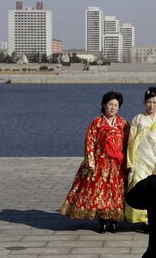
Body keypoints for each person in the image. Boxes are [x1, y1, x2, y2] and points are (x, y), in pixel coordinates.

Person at [60, 91, 130, 233]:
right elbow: (89, 142)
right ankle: (103, 220)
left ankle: (114, 220)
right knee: (101, 192)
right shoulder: (96, 123)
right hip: (101, 163)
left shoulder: (123, 123)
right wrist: (90, 161)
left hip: (118, 164)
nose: (112, 108)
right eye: (110, 104)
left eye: (116, 105)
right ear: (104, 105)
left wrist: (128, 161)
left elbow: (129, 143)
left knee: (116, 193)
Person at [125, 87, 156, 231]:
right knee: (139, 185)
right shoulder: (137, 119)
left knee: (155, 189)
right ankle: (143, 219)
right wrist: (130, 161)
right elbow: (131, 141)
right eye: (148, 102)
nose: (151, 105)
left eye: (154, 102)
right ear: (144, 103)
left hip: (155, 160)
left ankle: (153, 218)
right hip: (140, 159)